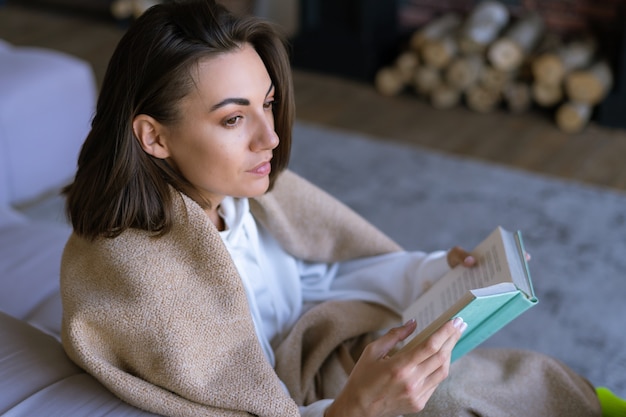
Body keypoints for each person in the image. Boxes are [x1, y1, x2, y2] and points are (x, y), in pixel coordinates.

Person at [60, 1, 624, 416]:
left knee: (478, 384)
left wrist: (435, 275)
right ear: (153, 137)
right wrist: (354, 407)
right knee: (453, 398)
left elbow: (310, 276)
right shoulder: (140, 273)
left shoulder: (231, 198)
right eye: (234, 119)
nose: (270, 139)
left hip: (310, 363)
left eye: (269, 104)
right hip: (311, 402)